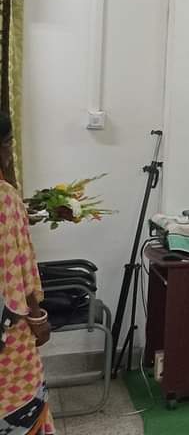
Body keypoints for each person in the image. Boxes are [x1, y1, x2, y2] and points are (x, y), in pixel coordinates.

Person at [0, 114, 55, 435]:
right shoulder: (5, 197)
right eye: (8, 144)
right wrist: (37, 318)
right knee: (20, 409)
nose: (9, 153)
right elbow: (18, 266)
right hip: (8, 335)